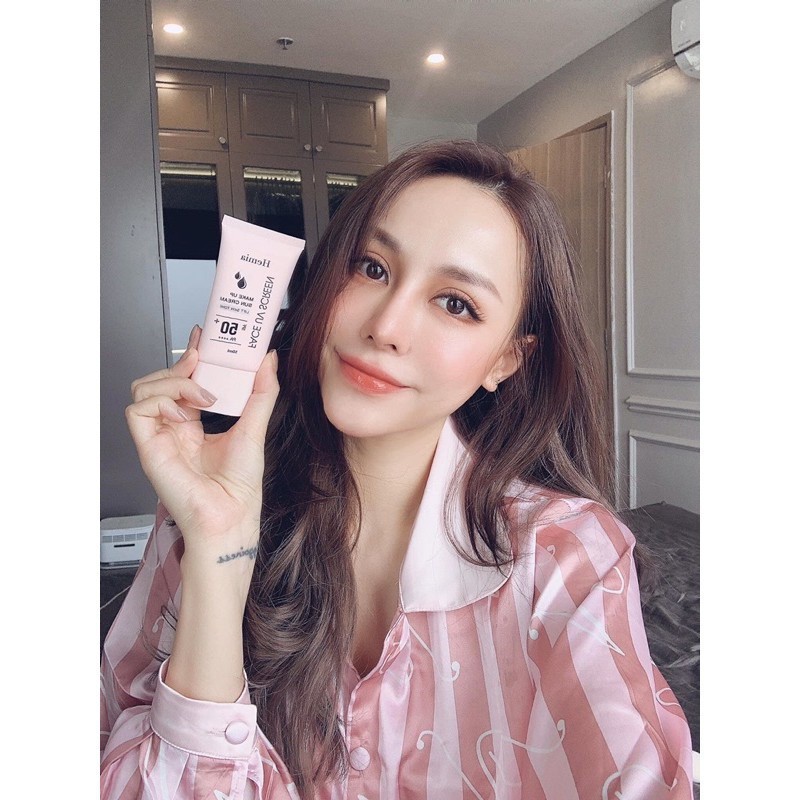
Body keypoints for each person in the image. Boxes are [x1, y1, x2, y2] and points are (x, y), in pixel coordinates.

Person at [100, 139, 694, 799]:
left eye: (456, 303)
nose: (386, 326)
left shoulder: (566, 556)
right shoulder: (203, 508)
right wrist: (219, 553)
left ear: (505, 360)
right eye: (372, 268)